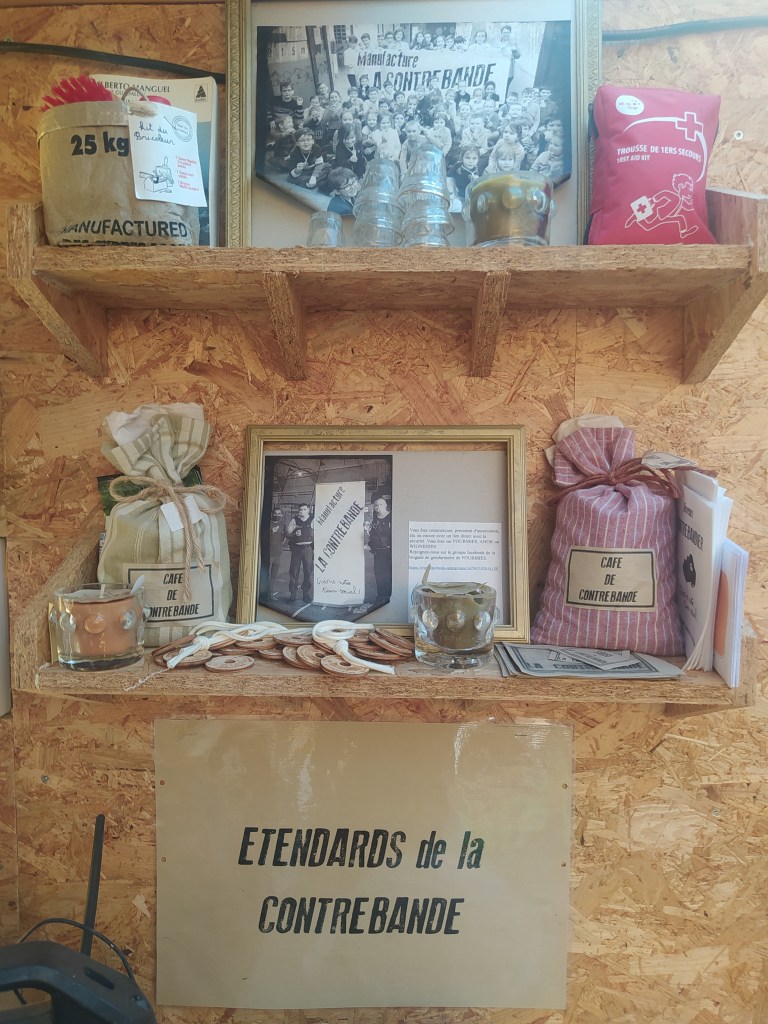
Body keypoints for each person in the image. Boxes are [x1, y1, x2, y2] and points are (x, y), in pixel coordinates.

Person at [286, 503, 314, 602]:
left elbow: (318, 534)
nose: (302, 511)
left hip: (308, 549)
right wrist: (294, 533)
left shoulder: (313, 520)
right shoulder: (294, 520)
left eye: (304, 509)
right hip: (296, 549)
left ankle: (305, 593)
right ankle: (292, 594)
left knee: (308, 571)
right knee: (294, 571)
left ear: (308, 510)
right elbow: (288, 534)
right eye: (300, 509)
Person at [367, 495, 392, 600]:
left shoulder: (391, 517)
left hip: (389, 552)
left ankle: (388, 596)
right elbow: (372, 535)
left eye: (381, 504)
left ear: (386, 505)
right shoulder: (374, 519)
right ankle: (380, 596)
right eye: (376, 505)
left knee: (388, 575)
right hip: (378, 552)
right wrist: (367, 532)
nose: (378, 507)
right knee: (379, 575)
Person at [268, 507, 286, 598]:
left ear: (281, 515)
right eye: (275, 513)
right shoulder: (268, 524)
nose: (277, 515)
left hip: (278, 554)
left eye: (279, 514)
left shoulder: (282, 524)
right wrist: (271, 531)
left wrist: (281, 544)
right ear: (272, 514)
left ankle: (270, 594)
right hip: (268, 554)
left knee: (274, 575)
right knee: (265, 575)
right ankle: (262, 594)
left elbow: (285, 536)